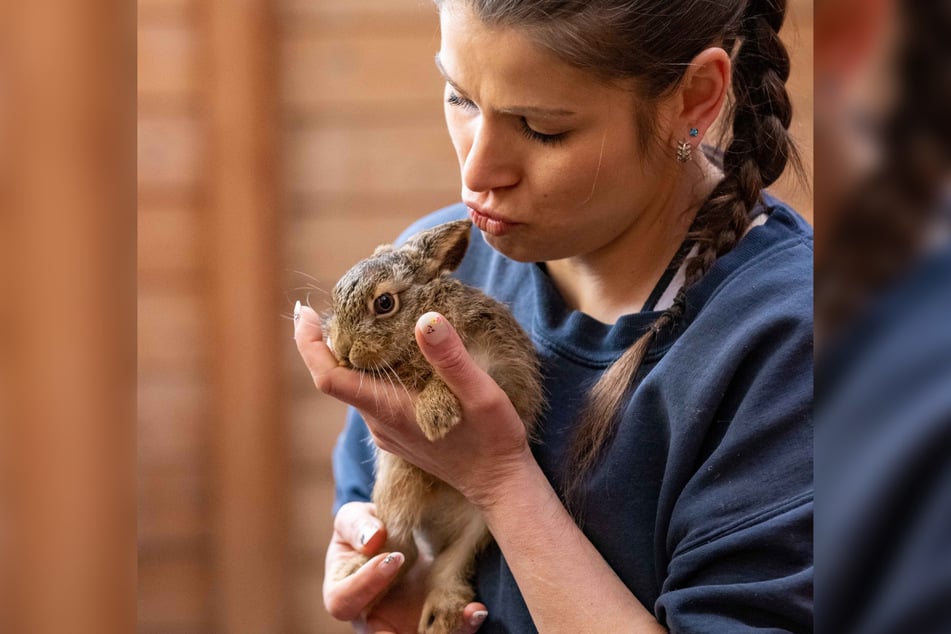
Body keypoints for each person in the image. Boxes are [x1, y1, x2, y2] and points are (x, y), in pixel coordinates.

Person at [294, 0, 812, 631]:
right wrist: (379, 560)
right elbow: (371, 506)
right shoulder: (436, 269)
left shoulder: (792, 340)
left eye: (542, 127)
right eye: (459, 98)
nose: (476, 173)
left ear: (695, 98)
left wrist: (498, 481)